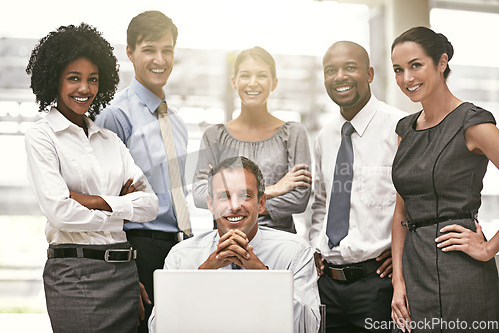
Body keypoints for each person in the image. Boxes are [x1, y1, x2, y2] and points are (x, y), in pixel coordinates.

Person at [24, 23, 159, 332]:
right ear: (53, 79)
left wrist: (94, 202)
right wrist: (121, 208)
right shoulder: (42, 137)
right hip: (75, 275)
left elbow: (150, 205)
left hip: (124, 274)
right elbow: (61, 212)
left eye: (92, 79)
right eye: (74, 78)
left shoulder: (111, 141)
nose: (84, 88)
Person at [390, 26, 499, 332]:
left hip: (461, 272)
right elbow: (400, 213)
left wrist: (489, 247)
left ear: (441, 63)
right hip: (414, 272)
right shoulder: (405, 129)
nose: (406, 78)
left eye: (415, 65)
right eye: (399, 70)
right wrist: (399, 282)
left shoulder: (471, 122)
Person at [95, 11, 190, 332]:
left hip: (178, 248)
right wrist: (125, 272)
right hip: (138, 246)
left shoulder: (175, 120)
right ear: (130, 53)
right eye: (149, 49)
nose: (159, 59)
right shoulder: (115, 115)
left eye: (167, 50)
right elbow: (107, 201)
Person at [150, 156, 321, 333]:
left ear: (261, 203)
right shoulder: (181, 256)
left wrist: (262, 274)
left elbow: (309, 328)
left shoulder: (295, 252)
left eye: (245, 196)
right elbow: (157, 328)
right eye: (224, 196)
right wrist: (203, 273)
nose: (234, 206)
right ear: (211, 205)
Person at [309, 41, 405, 332]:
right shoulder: (325, 136)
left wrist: (404, 251)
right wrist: (316, 247)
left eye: (350, 67)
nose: (340, 76)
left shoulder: (399, 127)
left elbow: (415, 199)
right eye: (331, 70)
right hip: (328, 286)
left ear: (369, 74)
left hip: (377, 285)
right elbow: (321, 203)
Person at [193, 46, 312, 233]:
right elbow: (200, 196)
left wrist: (226, 198)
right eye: (245, 75)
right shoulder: (214, 136)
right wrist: (273, 190)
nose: (253, 83)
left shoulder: (293, 133)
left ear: (274, 83)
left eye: (262, 76)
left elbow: (299, 199)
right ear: (234, 82)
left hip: (280, 245)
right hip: (227, 244)